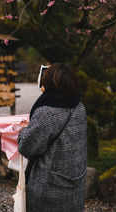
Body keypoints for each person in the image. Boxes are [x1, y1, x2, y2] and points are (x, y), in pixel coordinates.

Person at [18, 63, 87, 212]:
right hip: (75, 185)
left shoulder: (46, 113)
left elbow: (27, 148)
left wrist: (23, 131)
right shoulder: (79, 107)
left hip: (49, 190)